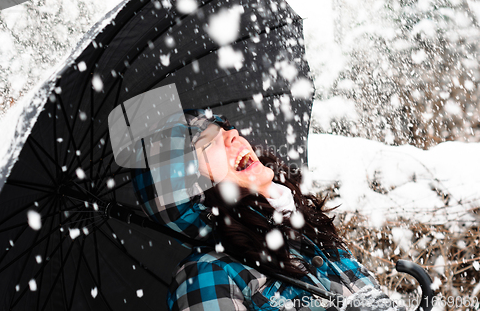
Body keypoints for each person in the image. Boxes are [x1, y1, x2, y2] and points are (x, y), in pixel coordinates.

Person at [132, 110, 405, 311]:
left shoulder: (307, 234)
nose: (232, 135)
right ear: (193, 191)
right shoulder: (207, 276)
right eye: (205, 143)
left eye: (224, 128)